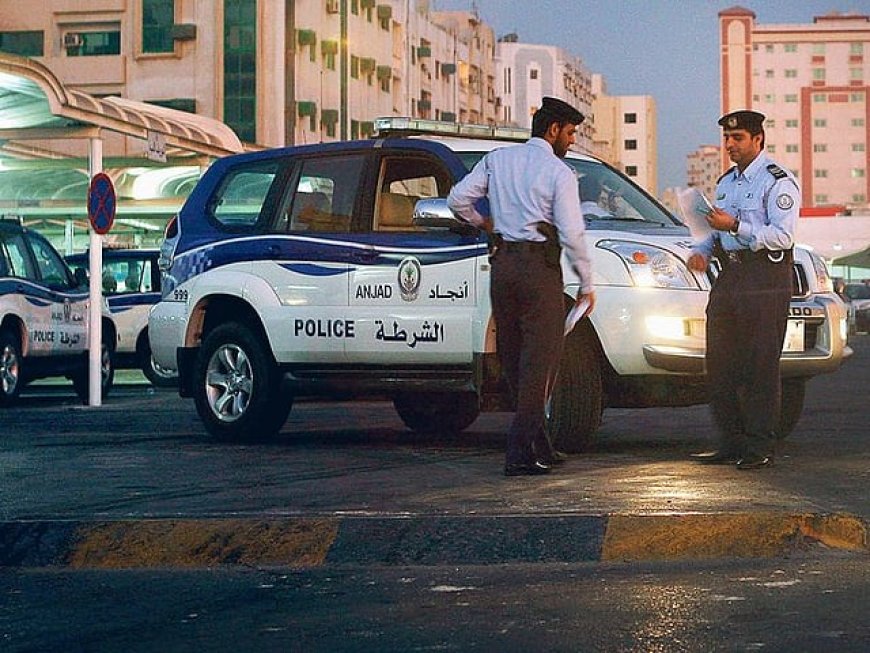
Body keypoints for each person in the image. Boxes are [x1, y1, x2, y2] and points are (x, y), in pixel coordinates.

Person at [448, 97, 595, 476]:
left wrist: (483, 222)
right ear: (553, 130)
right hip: (538, 271)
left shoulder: (498, 160)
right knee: (540, 363)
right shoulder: (558, 172)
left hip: (502, 267)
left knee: (514, 361)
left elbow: (457, 200)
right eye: (570, 133)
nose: (572, 140)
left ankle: (540, 443)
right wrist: (586, 282)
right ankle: (518, 452)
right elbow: (572, 232)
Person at [687, 109, 800, 470]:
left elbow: (783, 236)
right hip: (731, 275)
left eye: (737, 138)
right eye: (727, 138)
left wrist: (736, 226)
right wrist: (701, 251)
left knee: (760, 364)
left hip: (765, 277)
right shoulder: (726, 182)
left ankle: (759, 446)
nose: (730, 145)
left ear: (757, 139)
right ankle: (730, 441)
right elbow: (714, 231)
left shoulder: (777, 181)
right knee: (720, 362)